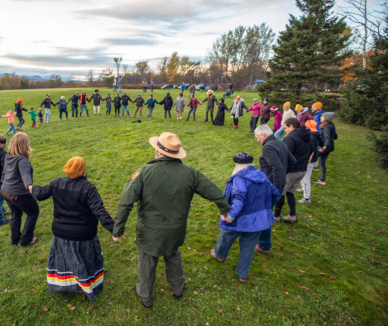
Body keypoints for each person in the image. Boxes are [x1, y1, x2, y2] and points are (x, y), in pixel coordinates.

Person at [112, 132, 231, 308]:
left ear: (159, 152)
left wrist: (118, 229)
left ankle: (146, 296)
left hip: (150, 232)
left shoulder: (144, 172)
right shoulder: (191, 173)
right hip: (176, 230)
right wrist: (224, 210)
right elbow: (214, 191)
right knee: (172, 254)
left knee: (147, 262)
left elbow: (125, 202)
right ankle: (178, 287)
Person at [31, 157, 114, 302]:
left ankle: (70, 284)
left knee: (67, 260)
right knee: (85, 260)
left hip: (62, 232)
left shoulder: (57, 183)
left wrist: (31, 187)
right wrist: (114, 228)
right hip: (83, 234)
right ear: (83, 170)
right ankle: (84, 283)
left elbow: (40, 193)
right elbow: (99, 210)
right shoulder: (88, 187)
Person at [210, 152, 279, 282]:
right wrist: (267, 208)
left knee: (226, 235)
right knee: (248, 246)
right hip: (259, 219)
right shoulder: (261, 175)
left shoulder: (239, 179)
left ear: (237, 164)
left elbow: (239, 199)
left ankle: (220, 255)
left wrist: (230, 215)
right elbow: (274, 192)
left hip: (239, 217)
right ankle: (242, 274)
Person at [253, 125, 296, 255]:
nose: (257, 140)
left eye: (257, 137)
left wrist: (275, 188)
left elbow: (277, 167)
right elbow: (292, 161)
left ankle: (264, 245)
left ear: (263, 135)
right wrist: (283, 177)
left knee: (263, 214)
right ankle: (261, 240)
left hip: (271, 187)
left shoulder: (268, 147)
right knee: (264, 212)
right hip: (278, 184)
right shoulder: (280, 143)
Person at [0, 132, 39, 246]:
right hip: (18, 193)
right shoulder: (22, 160)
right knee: (33, 213)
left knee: (15, 214)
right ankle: (25, 240)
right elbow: (25, 175)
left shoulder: (8, 155)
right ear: (25, 144)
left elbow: (5, 172)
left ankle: (15, 239)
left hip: (5, 191)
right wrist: (30, 187)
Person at [274, 118, 313, 222]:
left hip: (292, 171)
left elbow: (285, 154)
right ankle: (292, 215)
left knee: (281, 192)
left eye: (285, 127)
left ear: (291, 126)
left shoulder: (291, 138)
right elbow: (312, 150)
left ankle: (276, 215)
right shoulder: (308, 135)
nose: (285, 130)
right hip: (302, 169)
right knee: (290, 192)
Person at [298, 120, 323, 203]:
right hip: (312, 159)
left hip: (309, 160)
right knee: (303, 177)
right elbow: (322, 143)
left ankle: (306, 198)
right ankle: (303, 189)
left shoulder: (311, 136)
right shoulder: (317, 134)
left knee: (306, 178)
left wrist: (308, 159)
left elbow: (311, 149)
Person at [314, 112, 337, 185]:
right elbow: (335, 136)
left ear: (325, 119)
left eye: (322, 116)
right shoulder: (331, 125)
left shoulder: (326, 127)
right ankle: (322, 180)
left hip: (324, 147)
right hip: (329, 148)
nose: (320, 117)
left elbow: (327, 138)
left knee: (311, 158)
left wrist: (324, 147)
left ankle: (304, 177)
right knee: (322, 162)